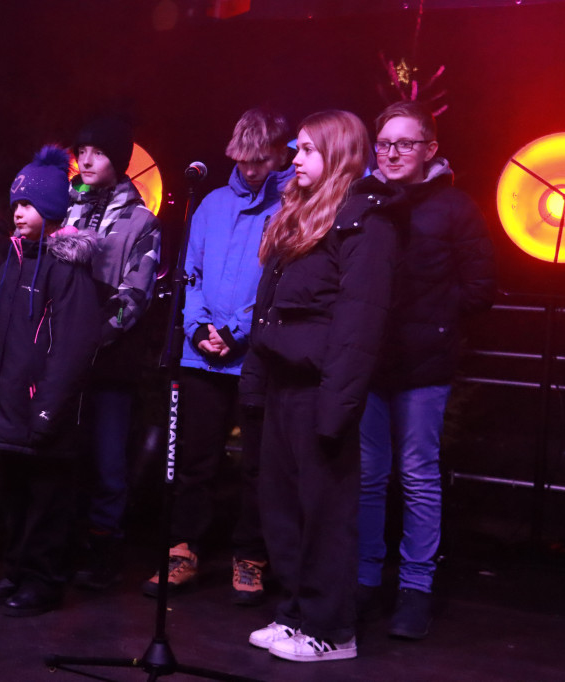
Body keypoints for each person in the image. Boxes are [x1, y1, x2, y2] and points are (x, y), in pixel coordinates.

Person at [237, 110, 402, 662]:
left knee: (324, 513)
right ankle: (295, 614)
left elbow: (359, 323)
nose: (296, 159)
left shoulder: (365, 222)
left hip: (321, 390)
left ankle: (333, 631)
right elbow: (269, 310)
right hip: (284, 385)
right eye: (298, 149)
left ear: (336, 154)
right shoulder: (298, 214)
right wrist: (256, 385)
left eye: (308, 150)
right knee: (281, 507)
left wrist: (337, 406)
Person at [357, 101, 496, 639]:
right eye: (385, 143)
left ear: (429, 150)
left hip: (425, 365)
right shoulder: (364, 200)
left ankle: (415, 589)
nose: (392, 153)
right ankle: (365, 580)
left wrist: (433, 320)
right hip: (369, 363)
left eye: (404, 143)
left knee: (417, 476)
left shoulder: (455, 207)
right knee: (369, 477)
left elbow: (481, 287)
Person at [143, 108, 292, 604]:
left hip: (255, 356)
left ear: (278, 153)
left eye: (261, 159)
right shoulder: (209, 205)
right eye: (244, 160)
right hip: (200, 354)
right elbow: (192, 274)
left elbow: (279, 281)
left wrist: (237, 332)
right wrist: (199, 327)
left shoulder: (290, 204)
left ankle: (250, 556)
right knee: (193, 459)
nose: (251, 169)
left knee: (258, 463)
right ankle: (183, 551)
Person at [0, 145, 101, 616]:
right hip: (6, 409)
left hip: (42, 413)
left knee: (48, 502)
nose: (19, 212)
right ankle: (16, 572)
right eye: (16, 203)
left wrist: (47, 407)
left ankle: (43, 581)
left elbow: (71, 348)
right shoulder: (14, 260)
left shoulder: (68, 268)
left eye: (29, 205)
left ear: (52, 210)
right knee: (15, 496)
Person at [63, 114, 161, 589]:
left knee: (107, 458)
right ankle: (67, 541)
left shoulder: (141, 220)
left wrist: (95, 336)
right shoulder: (68, 210)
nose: (86, 159)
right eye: (81, 150)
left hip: (110, 360)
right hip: (66, 360)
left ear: (118, 160)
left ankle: (104, 548)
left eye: (98, 151)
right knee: (68, 453)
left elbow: (135, 296)